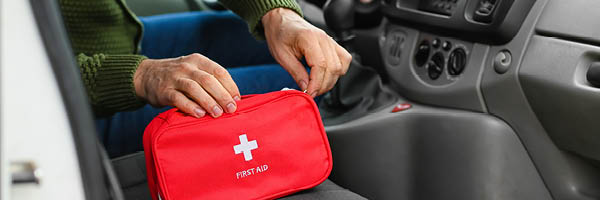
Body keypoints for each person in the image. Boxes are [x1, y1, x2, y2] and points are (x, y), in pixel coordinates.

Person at [58, 0, 351, 157]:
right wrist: (143, 75)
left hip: (118, 42)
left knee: (283, 47)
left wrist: (278, 13)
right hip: (79, 110)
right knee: (297, 89)